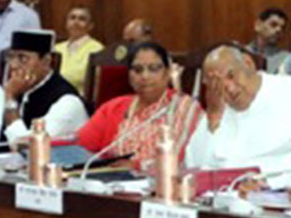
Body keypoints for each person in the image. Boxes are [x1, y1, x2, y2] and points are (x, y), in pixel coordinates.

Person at [187, 45, 291, 180]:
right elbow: (196, 168)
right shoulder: (216, 115)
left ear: (248, 63)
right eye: (217, 85)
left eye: (231, 76)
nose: (229, 88)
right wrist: (214, 119)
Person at [71, 41, 205, 169]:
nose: (145, 76)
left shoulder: (184, 107)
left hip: (162, 186)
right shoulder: (113, 108)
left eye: (154, 69)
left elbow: (178, 159)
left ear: (167, 72)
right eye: (137, 69)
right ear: (129, 75)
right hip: (109, 184)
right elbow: (78, 147)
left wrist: (137, 166)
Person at [2, 29, 88, 144]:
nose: (13, 65)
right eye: (11, 57)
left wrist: (10, 100)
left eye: (23, 58)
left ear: (46, 62)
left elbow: (29, 147)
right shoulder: (20, 89)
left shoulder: (67, 102)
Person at [53, 5, 105, 98]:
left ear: (90, 26)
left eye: (82, 19)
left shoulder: (97, 49)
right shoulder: (56, 48)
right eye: (72, 18)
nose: (75, 22)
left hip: (78, 99)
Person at [249, 6, 291, 75]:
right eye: (273, 25)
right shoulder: (241, 54)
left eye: (282, 28)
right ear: (258, 25)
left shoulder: (288, 60)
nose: (278, 30)